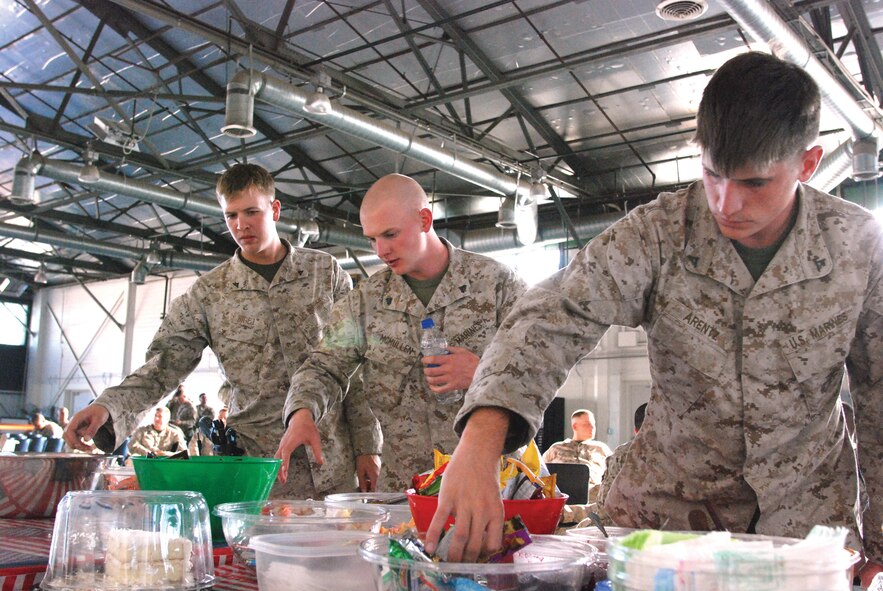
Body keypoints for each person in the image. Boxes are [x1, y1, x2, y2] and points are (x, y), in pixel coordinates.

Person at [425, 51, 883, 584]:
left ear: (807, 164)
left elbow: (880, 395)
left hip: (805, 530)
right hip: (667, 520)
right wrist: (481, 440)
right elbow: (556, 312)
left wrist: (881, 538)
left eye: (754, 183)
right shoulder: (659, 233)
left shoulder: (858, 247)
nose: (725, 203)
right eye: (712, 173)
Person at [64, 163, 381, 498]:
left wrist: (368, 446)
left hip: (334, 459)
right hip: (261, 470)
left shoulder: (325, 273)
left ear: (274, 210)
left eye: (251, 212)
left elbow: (355, 366)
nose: (241, 225)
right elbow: (162, 366)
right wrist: (108, 407)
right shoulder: (209, 293)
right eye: (231, 216)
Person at [275, 173, 527, 491]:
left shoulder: (497, 285)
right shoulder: (365, 303)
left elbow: (540, 369)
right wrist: (302, 411)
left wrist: (482, 372)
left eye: (390, 234)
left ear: (424, 219)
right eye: (371, 239)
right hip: (404, 489)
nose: (381, 250)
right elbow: (322, 367)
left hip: (490, 481)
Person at [542, 409, 612, 489]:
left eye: (593, 424)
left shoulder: (601, 449)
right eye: (587, 424)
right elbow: (541, 471)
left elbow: (615, 471)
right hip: (563, 494)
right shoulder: (556, 448)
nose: (592, 428)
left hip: (592, 495)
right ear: (575, 426)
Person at [596, 403, 647, 509]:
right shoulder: (682, 453)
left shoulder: (623, 453)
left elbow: (604, 506)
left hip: (624, 523)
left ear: (636, 430)